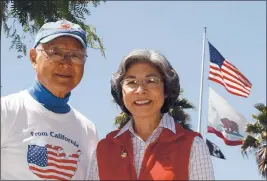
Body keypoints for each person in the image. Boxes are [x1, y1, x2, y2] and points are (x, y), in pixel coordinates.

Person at [89, 49, 215, 180]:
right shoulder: (104, 149)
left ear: (166, 89)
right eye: (131, 82)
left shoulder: (193, 146)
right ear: (121, 92)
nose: (140, 90)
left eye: (151, 81)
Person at [1, 19, 98, 180]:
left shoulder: (89, 130)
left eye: (76, 55)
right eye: (55, 52)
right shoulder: (6, 110)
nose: (66, 63)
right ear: (33, 58)